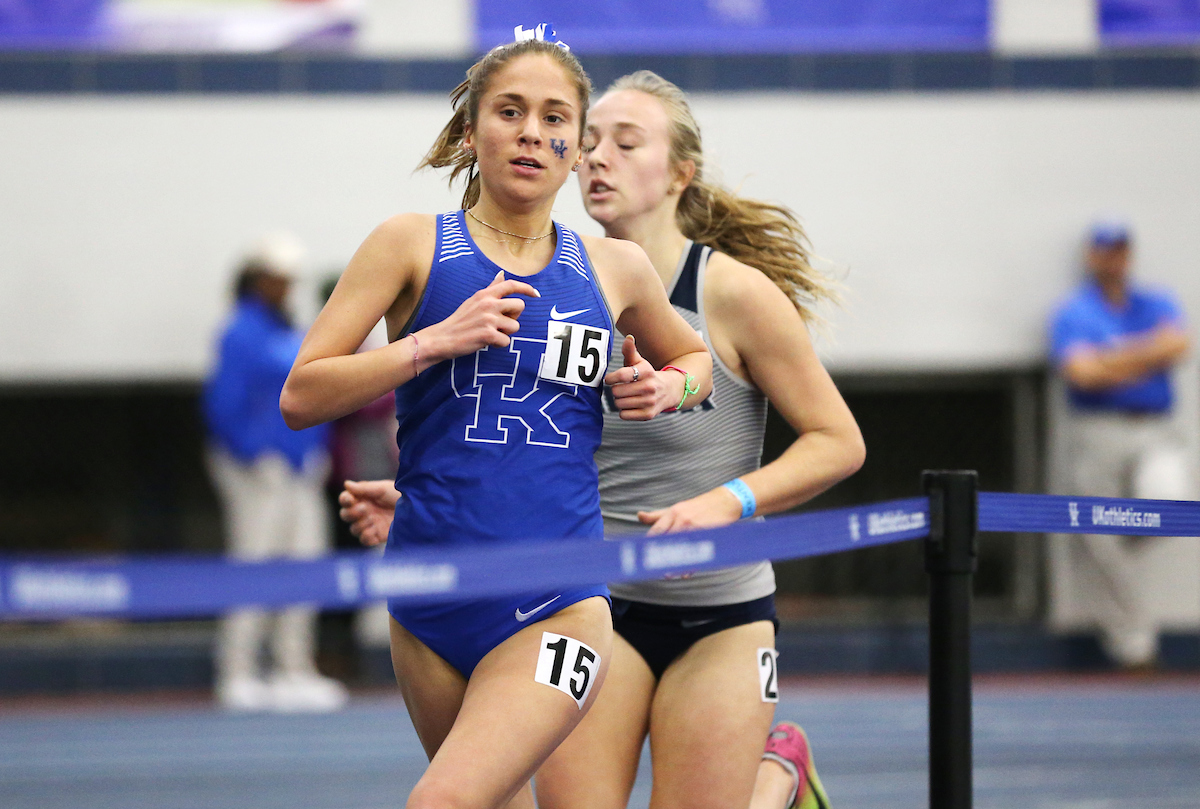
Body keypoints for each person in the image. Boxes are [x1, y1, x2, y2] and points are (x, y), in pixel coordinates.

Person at [340, 70, 864, 809]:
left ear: (681, 171)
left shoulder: (732, 294)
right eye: (591, 143)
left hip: (717, 606)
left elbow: (838, 441)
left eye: (626, 141)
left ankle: (775, 778)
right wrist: (429, 498)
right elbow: (537, 437)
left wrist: (727, 500)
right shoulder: (570, 274)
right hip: (590, 595)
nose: (596, 157)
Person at [279, 30, 712, 809]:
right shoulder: (410, 244)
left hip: (560, 601)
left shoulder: (613, 266)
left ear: (578, 146)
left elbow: (697, 361)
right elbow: (302, 394)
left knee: (439, 800)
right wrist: (432, 342)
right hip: (427, 593)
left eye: (555, 119)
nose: (532, 133)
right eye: (511, 112)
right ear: (472, 129)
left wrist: (665, 391)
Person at [202, 234, 350, 712]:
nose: (284, 288)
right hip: (257, 474)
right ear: (258, 279)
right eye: (276, 280)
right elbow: (223, 406)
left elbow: (312, 392)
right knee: (255, 561)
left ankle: (293, 667)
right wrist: (253, 454)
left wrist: (317, 449)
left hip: (300, 470)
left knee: (305, 560)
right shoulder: (239, 332)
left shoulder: (292, 329)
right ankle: (238, 669)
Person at [1049, 219, 1191, 670]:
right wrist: (1149, 355)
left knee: (1169, 506)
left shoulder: (1155, 300)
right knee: (1097, 535)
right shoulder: (1075, 310)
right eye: (1106, 250)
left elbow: (1181, 346)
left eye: (1121, 250)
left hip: (1154, 426)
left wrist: (1112, 358)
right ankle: (1134, 645)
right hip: (1098, 428)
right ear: (1092, 256)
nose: (1114, 259)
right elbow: (1081, 373)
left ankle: (1118, 556)